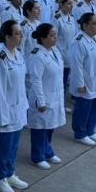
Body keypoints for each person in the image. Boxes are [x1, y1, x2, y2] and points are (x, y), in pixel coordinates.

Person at [0, 20, 29, 192]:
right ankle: (0, 178)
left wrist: (24, 106)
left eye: (21, 33)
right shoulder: (1, 57)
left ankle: (10, 173)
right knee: (4, 147)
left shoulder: (18, 54)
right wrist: (3, 115)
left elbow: (21, 84)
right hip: (5, 109)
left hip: (18, 108)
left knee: (14, 145)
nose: (21, 37)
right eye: (18, 33)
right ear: (7, 36)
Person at [26, 23, 65, 169]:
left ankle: (47, 151)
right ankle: (37, 156)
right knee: (40, 128)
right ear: (42, 38)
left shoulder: (54, 50)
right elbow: (35, 80)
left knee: (50, 126)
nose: (55, 38)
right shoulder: (37, 55)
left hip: (54, 95)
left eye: (55, 35)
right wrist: (41, 101)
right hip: (42, 97)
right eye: (52, 35)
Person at [68, 13, 96, 146]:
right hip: (86, 82)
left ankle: (90, 130)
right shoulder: (79, 42)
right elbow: (76, 65)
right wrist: (80, 84)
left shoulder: (95, 37)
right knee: (83, 109)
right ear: (85, 25)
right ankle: (80, 134)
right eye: (94, 23)